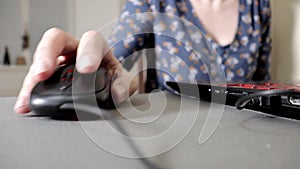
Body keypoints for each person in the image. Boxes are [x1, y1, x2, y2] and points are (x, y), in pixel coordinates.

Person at [14, 0, 272, 114]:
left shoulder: (258, 4)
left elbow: (264, 83)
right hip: (176, 131)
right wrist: (105, 73)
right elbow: (117, 61)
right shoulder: (155, 1)